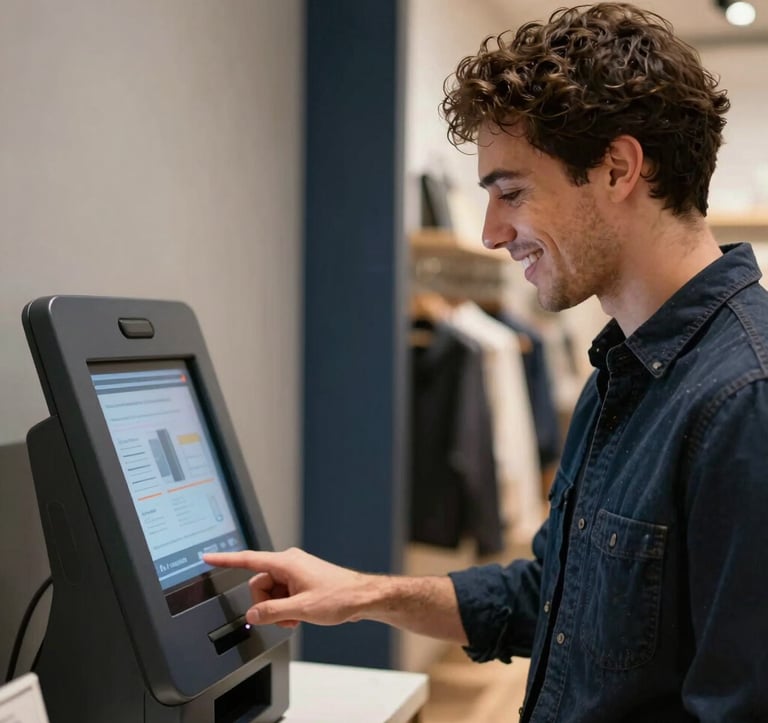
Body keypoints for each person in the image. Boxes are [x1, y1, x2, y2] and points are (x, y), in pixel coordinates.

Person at [206, 3, 768, 720]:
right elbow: (551, 597)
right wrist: (361, 592)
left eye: (512, 192)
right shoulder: (625, 375)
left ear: (618, 168)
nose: (492, 232)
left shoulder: (745, 401)